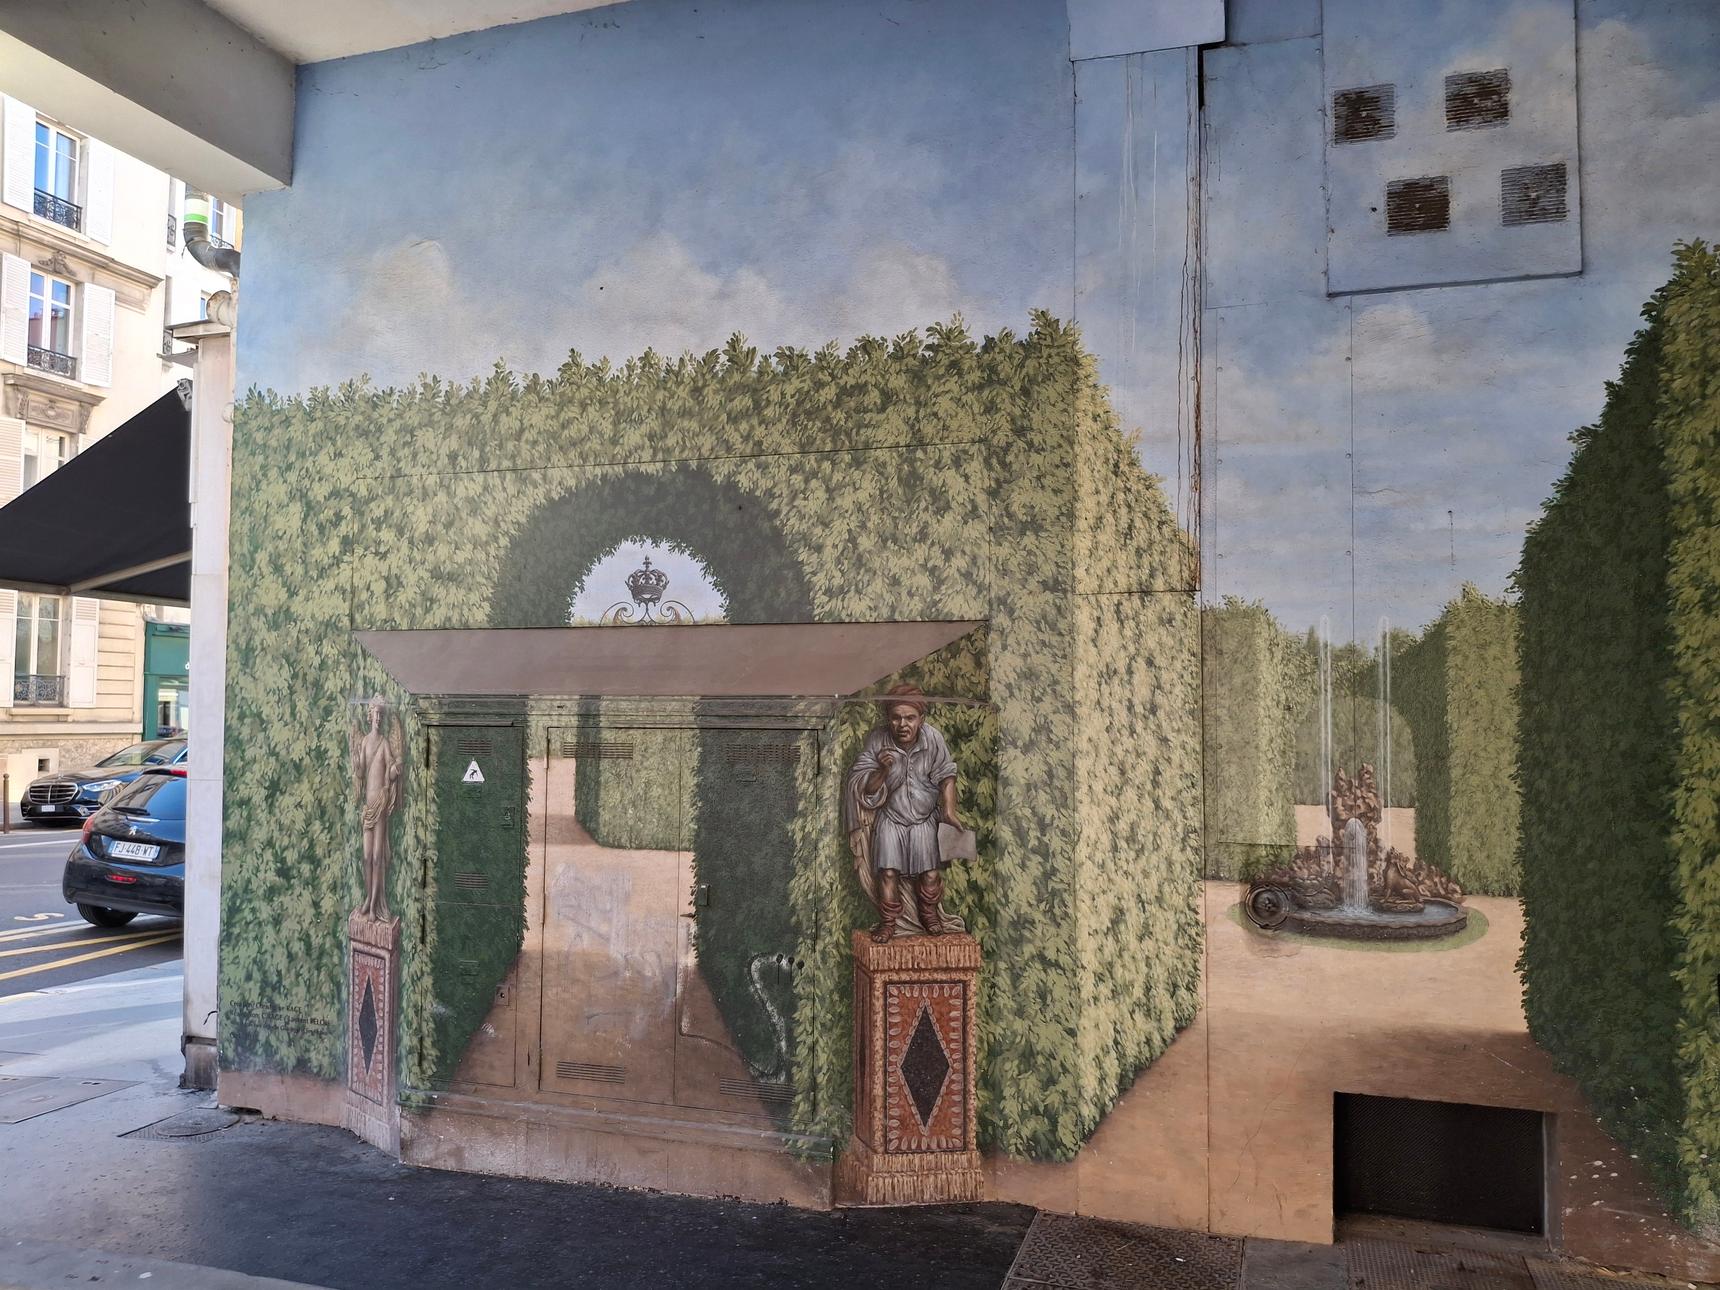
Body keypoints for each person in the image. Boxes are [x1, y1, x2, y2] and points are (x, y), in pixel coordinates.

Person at [844, 683, 966, 942]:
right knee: (888, 872)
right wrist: (883, 771)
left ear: (921, 719)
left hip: (924, 818)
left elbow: (946, 775)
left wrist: (949, 810)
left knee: (930, 874)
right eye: (896, 718)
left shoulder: (933, 738)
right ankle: (888, 923)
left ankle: (929, 916)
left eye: (910, 718)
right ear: (888, 718)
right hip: (891, 818)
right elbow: (864, 788)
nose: (902, 724)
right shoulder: (877, 739)